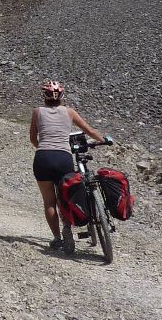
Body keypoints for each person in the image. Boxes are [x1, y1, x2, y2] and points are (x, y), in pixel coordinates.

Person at [29, 80, 111, 250]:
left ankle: (57, 238)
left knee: (49, 202)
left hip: (43, 157)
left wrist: (44, 148)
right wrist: (105, 140)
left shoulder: (37, 112)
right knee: (64, 197)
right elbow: (90, 131)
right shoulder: (70, 112)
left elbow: (33, 138)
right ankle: (67, 227)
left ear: (44, 95)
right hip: (63, 158)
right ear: (62, 96)